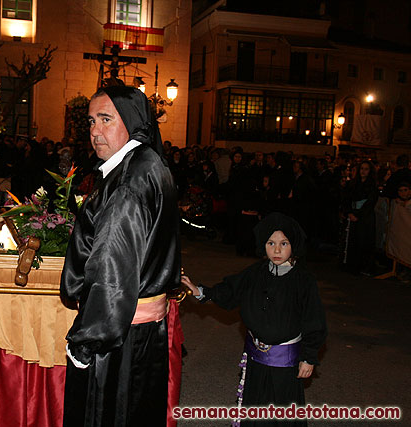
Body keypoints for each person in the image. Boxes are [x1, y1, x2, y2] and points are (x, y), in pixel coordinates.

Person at [60, 85, 181, 426]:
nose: (94, 131)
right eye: (90, 121)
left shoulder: (128, 181)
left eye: (105, 119)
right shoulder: (148, 162)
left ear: (131, 121)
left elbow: (110, 270)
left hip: (117, 335)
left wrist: (85, 343)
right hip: (143, 328)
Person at [182, 213, 327, 426]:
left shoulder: (303, 280)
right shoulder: (255, 273)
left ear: (293, 245)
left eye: (283, 243)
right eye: (271, 243)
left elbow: (313, 319)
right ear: (263, 245)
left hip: (285, 361)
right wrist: (202, 292)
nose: (277, 250)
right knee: (255, 406)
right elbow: (231, 291)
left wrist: (309, 356)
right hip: (256, 356)